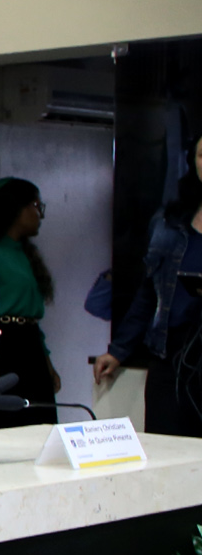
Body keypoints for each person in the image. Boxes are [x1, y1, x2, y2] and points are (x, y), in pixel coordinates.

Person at [93, 135, 202, 436]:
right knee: (165, 444)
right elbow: (148, 293)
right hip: (172, 353)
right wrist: (119, 349)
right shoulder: (171, 221)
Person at [0, 177, 59, 429]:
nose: (40, 214)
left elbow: (32, 321)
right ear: (15, 208)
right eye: (36, 206)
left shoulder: (25, 254)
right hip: (1, 346)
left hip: (30, 346)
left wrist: (48, 365)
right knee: (4, 423)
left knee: (39, 422)